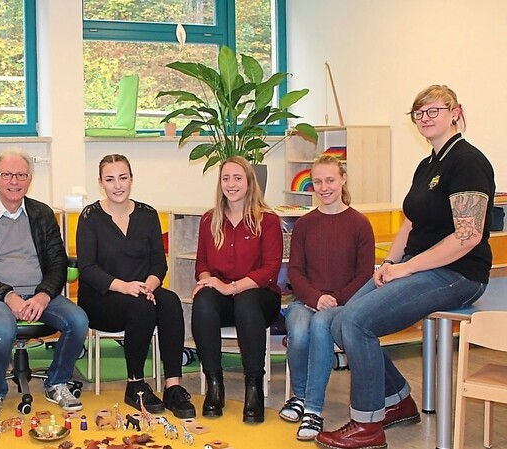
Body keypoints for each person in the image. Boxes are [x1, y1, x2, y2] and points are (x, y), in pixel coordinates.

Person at [316, 85, 496, 449]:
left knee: (356, 322)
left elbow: (467, 236)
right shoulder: (427, 163)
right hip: (416, 265)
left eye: (433, 111)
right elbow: (410, 223)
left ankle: (368, 426)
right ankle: (397, 399)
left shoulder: (468, 161)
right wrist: (390, 262)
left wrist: (406, 269)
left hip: (458, 273)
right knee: (337, 321)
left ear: (455, 112)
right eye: (419, 113)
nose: (426, 118)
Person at [0, 147, 89, 423]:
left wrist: (42, 295)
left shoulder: (42, 214)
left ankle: (57, 382)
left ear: (30, 179)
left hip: (40, 293)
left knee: (78, 320)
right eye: (7, 174)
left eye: (21, 175)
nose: (14, 181)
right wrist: (7, 296)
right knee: (3, 328)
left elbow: (57, 264)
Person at [76, 154, 196, 418]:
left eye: (123, 178)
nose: (117, 185)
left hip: (143, 290)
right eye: (110, 179)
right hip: (101, 297)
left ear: (132, 179)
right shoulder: (89, 217)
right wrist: (125, 287)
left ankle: (173, 385)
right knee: (141, 308)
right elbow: (87, 269)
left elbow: (158, 264)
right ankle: (135, 384)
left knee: (171, 301)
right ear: (100, 183)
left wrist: (149, 286)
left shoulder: (148, 214)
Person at [278, 156, 375, 441]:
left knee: (320, 325)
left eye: (330, 180)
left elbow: (364, 274)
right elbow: (294, 271)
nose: (324, 187)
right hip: (305, 300)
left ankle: (314, 410)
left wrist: (334, 299)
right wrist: (314, 297)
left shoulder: (359, 223)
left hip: (343, 304)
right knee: (297, 327)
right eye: (317, 182)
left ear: (343, 180)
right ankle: (299, 397)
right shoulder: (305, 224)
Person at [191, 156, 283, 423]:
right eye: (226, 178)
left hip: (259, 297)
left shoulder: (267, 220)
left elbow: (269, 271)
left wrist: (230, 287)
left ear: (249, 182)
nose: (231, 184)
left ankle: (253, 388)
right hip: (223, 295)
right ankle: (214, 384)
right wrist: (207, 280)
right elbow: (202, 263)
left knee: (246, 301)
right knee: (203, 300)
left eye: (237, 178)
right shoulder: (209, 220)